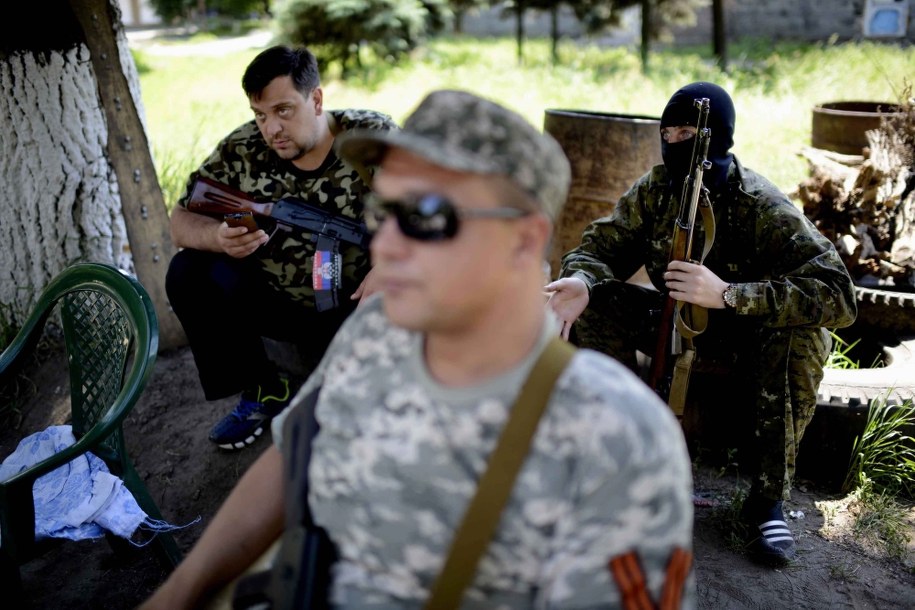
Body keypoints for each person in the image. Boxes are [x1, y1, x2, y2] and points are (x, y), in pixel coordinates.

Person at [141, 89, 696, 609]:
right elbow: (295, 458)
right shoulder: (378, 328)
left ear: (523, 239)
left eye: (424, 217)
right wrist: (176, 596)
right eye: (382, 212)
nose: (383, 243)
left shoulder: (616, 440)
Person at [546, 81, 857, 567]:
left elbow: (837, 294)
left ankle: (766, 500)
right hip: (669, 320)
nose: (672, 142)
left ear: (718, 139)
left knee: (802, 337)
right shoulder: (655, 190)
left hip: (747, 335)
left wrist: (730, 295)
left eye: (685, 131)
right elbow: (596, 249)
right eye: (665, 131)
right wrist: (583, 282)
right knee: (592, 304)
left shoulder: (760, 206)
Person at [165, 45, 397, 451]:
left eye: (284, 111)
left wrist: (391, 265)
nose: (271, 128)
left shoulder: (370, 137)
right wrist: (217, 237)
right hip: (275, 301)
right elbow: (181, 220)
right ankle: (263, 390)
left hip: (358, 305)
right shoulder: (243, 149)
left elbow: (432, 210)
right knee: (188, 270)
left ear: (317, 99)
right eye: (261, 114)